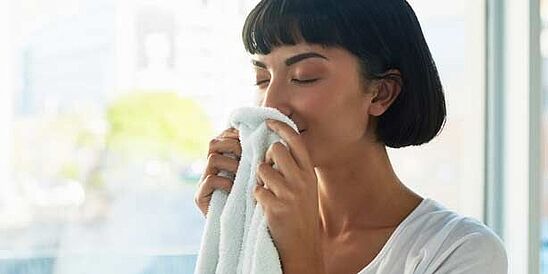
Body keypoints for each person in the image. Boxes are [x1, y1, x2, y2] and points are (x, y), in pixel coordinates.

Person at [194, 0, 508, 273]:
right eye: (262, 78)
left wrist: (300, 257)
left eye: (304, 78)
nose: (271, 104)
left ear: (381, 93)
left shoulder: (460, 250)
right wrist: (232, 227)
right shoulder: (259, 230)